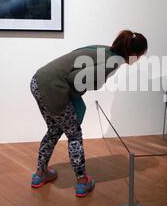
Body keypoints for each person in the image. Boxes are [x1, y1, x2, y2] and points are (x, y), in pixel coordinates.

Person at [30, 30, 148, 197]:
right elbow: (76, 79)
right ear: (134, 54)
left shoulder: (105, 50)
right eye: (141, 55)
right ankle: (82, 182)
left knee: (54, 130)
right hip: (54, 88)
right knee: (74, 135)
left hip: (38, 80)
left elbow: (75, 56)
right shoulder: (112, 63)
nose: (139, 59)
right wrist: (94, 85)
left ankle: (39, 175)